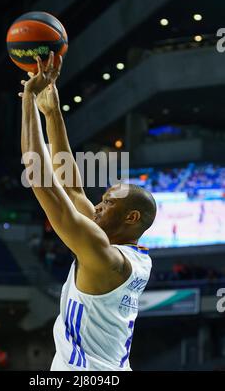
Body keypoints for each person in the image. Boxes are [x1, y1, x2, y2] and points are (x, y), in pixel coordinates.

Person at [18, 52, 156, 371]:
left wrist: (27, 99)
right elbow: (73, 189)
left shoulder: (103, 256)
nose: (97, 205)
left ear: (130, 217)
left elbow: (42, 179)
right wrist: (52, 114)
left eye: (107, 202)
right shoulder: (130, 255)